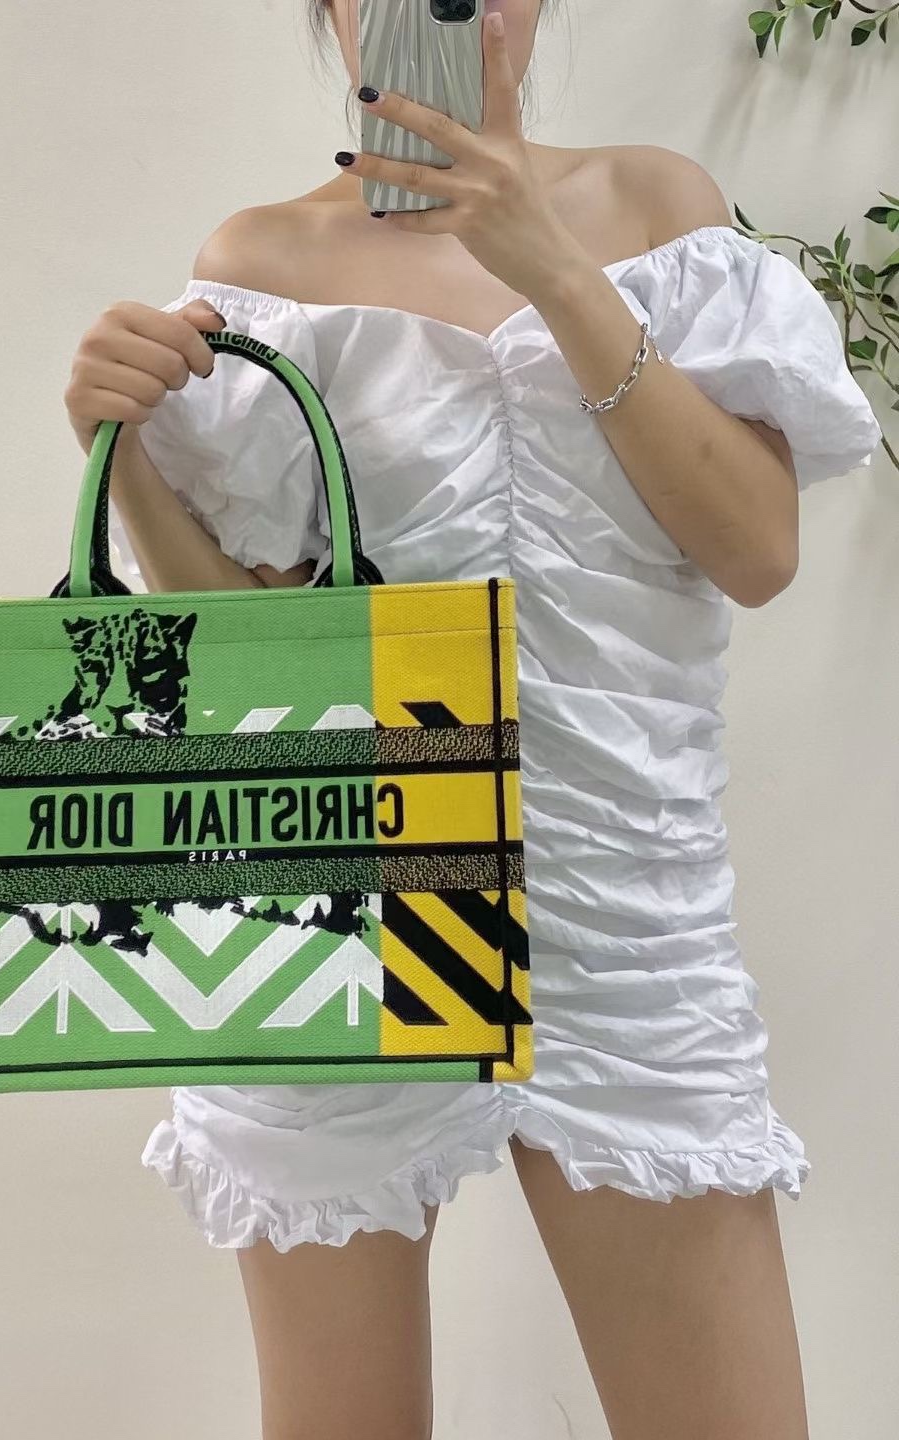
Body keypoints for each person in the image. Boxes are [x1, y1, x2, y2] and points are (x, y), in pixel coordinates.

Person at [63, 4, 883, 1436]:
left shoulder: (659, 211)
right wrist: (120, 454)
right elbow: (251, 667)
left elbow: (756, 551)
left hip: (626, 929)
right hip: (333, 912)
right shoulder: (264, 268)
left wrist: (549, 264)